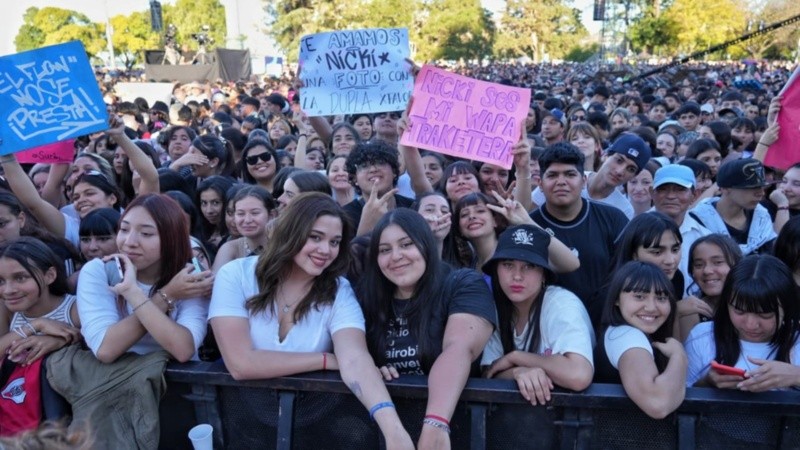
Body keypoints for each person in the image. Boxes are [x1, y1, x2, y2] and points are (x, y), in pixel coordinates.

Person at [208, 192, 414, 449]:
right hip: (243, 422)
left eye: (335, 241)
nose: (325, 250)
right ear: (291, 232)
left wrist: (394, 431)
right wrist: (326, 360)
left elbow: (354, 357)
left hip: (317, 424)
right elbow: (240, 363)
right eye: (315, 237)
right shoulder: (236, 275)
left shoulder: (339, 290)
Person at [358, 209, 496, 449]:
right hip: (385, 433)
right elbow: (352, 356)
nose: (396, 256)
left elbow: (459, 348)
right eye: (385, 250)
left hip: (454, 429)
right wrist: (372, 370)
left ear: (426, 244)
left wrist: (436, 424)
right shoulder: (367, 294)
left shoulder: (462, 283)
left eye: (406, 244)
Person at [481, 225, 594, 405]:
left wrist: (516, 357)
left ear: (544, 275)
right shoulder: (494, 307)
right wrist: (518, 372)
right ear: (496, 270)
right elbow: (489, 372)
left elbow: (578, 375)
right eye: (508, 264)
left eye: (529, 266)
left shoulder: (561, 305)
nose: (517, 276)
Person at [529, 142, 629, 325]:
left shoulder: (614, 219)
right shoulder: (531, 225)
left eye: (570, 174)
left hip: (608, 324)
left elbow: (627, 275)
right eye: (552, 175)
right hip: (549, 325)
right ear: (540, 184)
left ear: (583, 181)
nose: (561, 182)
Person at [685, 255, 800, 391]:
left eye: (765, 315)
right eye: (739, 312)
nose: (750, 324)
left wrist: (796, 376)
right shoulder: (702, 337)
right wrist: (707, 382)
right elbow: (680, 397)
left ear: (786, 308)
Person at [594, 261, 687, 419]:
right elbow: (658, 403)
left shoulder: (623, 332)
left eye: (661, 298)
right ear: (616, 299)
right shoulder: (628, 336)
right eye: (639, 296)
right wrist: (679, 357)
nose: (651, 307)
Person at [0, 237, 81, 369]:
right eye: (0, 281)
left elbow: (96, 343)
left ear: (49, 275)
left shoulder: (73, 309)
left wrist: (60, 340)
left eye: (20, 278)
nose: (8, 290)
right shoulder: (6, 309)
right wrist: (36, 325)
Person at [690, 158, 776, 255]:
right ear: (725, 188)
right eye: (752, 187)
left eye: (762, 187)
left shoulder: (762, 216)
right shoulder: (698, 220)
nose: (761, 193)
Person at [650, 164, 710, 288]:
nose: (671, 196)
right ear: (652, 193)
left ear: (694, 195)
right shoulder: (634, 230)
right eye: (663, 189)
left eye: (680, 189)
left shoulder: (703, 237)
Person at [676, 234, 742, 342]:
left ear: (737, 265)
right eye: (698, 265)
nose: (707, 270)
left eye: (718, 262)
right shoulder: (690, 312)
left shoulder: (753, 305)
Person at [212, 186, 276, 272]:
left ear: (271, 215)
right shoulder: (230, 248)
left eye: (255, 213)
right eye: (241, 214)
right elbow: (217, 282)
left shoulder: (284, 246)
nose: (247, 220)